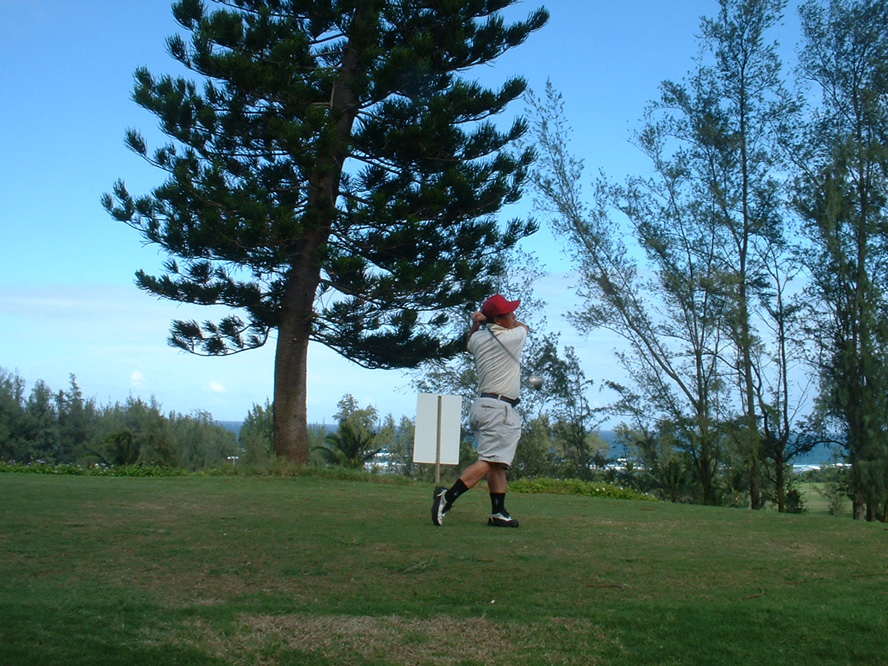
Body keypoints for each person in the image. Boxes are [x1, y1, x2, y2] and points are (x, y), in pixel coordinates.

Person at [432, 294, 529, 527]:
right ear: (498, 319)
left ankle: (498, 513)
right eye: (509, 313)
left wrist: (476, 324)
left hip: (483, 406)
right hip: (500, 409)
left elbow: (469, 343)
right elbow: (524, 327)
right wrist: (494, 322)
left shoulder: (479, 338)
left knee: (498, 463)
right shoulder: (513, 336)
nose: (514, 316)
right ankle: (447, 497)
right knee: (489, 461)